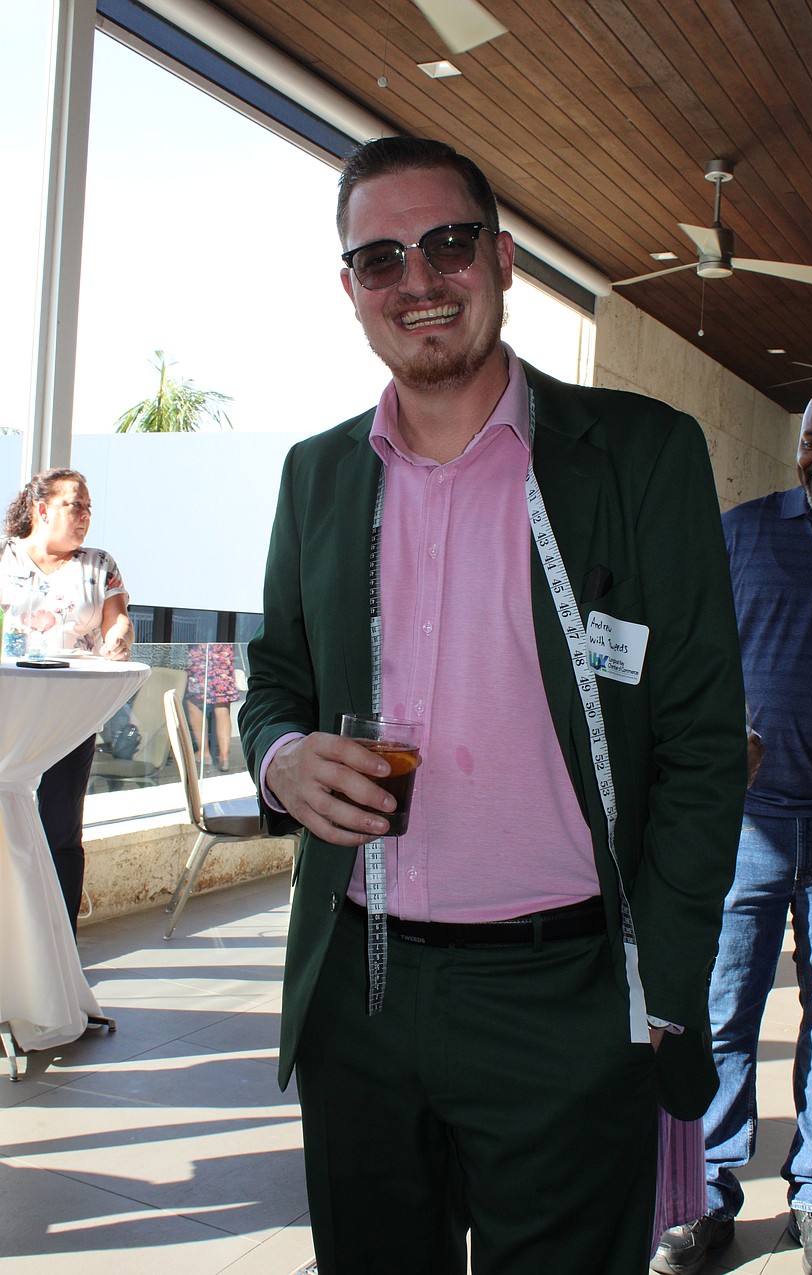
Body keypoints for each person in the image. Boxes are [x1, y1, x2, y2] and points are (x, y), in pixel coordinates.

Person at [238, 136, 746, 1275]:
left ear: (503, 257)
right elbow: (275, 678)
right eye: (380, 259)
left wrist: (660, 980)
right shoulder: (317, 476)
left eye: (447, 243)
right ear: (351, 290)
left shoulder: (639, 457)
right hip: (357, 999)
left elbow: (703, 742)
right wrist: (278, 756)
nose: (417, 280)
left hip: (565, 1003)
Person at [651, 376, 812, 1275]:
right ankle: (706, 1195)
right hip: (745, 823)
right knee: (721, 1014)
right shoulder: (743, 534)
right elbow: (688, 651)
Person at [0, 468, 133, 933]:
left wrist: (118, 639)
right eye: (74, 505)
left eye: (88, 508)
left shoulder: (99, 564)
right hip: (7, 713)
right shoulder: (3, 557)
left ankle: (60, 952)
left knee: (61, 831)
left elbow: (119, 622)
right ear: (41, 509)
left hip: (70, 718)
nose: (84, 517)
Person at [185, 641, 239, 771]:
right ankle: (224, 756)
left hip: (200, 650)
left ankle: (204, 753)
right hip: (222, 651)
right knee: (222, 706)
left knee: (194, 703)